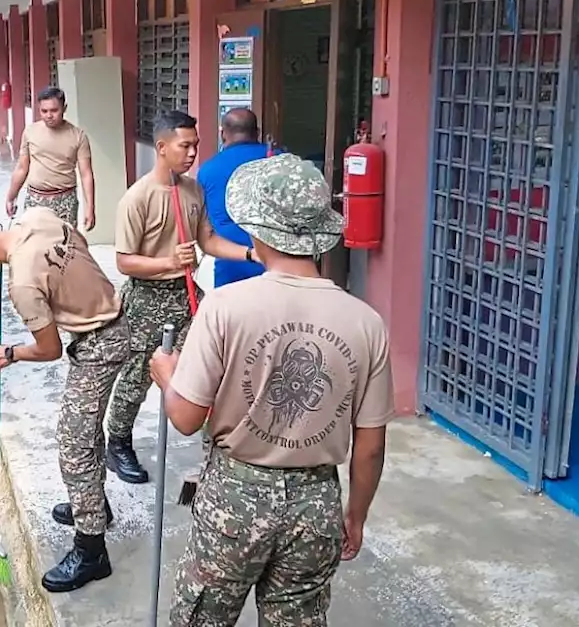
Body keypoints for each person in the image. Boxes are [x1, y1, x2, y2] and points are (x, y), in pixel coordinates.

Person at [148, 153, 394, 627]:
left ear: (257, 232)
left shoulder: (225, 308)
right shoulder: (366, 323)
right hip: (317, 500)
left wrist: (167, 375)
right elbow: (371, 447)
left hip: (235, 499)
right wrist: (355, 515)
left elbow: (184, 417)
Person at [0, 209, 127, 593]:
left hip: (101, 344)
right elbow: (81, 248)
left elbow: (49, 349)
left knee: (74, 445)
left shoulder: (22, 283)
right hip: (109, 318)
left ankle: (92, 551)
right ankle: (94, 507)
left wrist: (10, 353)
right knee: (86, 432)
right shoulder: (37, 218)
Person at [105, 110, 257, 485]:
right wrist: (168, 261)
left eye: (196, 145)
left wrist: (252, 253)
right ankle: (118, 443)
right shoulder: (136, 198)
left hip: (187, 297)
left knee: (211, 370)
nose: (192, 153)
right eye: (184, 145)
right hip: (146, 299)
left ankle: (216, 450)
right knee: (137, 377)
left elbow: (207, 239)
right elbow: (125, 262)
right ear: (161, 147)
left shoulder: (192, 190)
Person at [197, 108, 272, 288]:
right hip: (276, 264)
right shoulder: (280, 161)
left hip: (229, 265)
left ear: (223, 133)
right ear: (257, 133)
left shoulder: (208, 170)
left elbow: (204, 225)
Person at [5, 87, 96, 231]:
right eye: (44, 111)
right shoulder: (30, 132)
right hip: (36, 199)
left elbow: (86, 175)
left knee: (65, 248)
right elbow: (22, 168)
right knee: (33, 246)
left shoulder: (78, 136)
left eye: (54, 110)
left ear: (64, 108)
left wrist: (90, 208)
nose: (49, 115)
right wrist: (11, 196)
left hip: (65, 200)